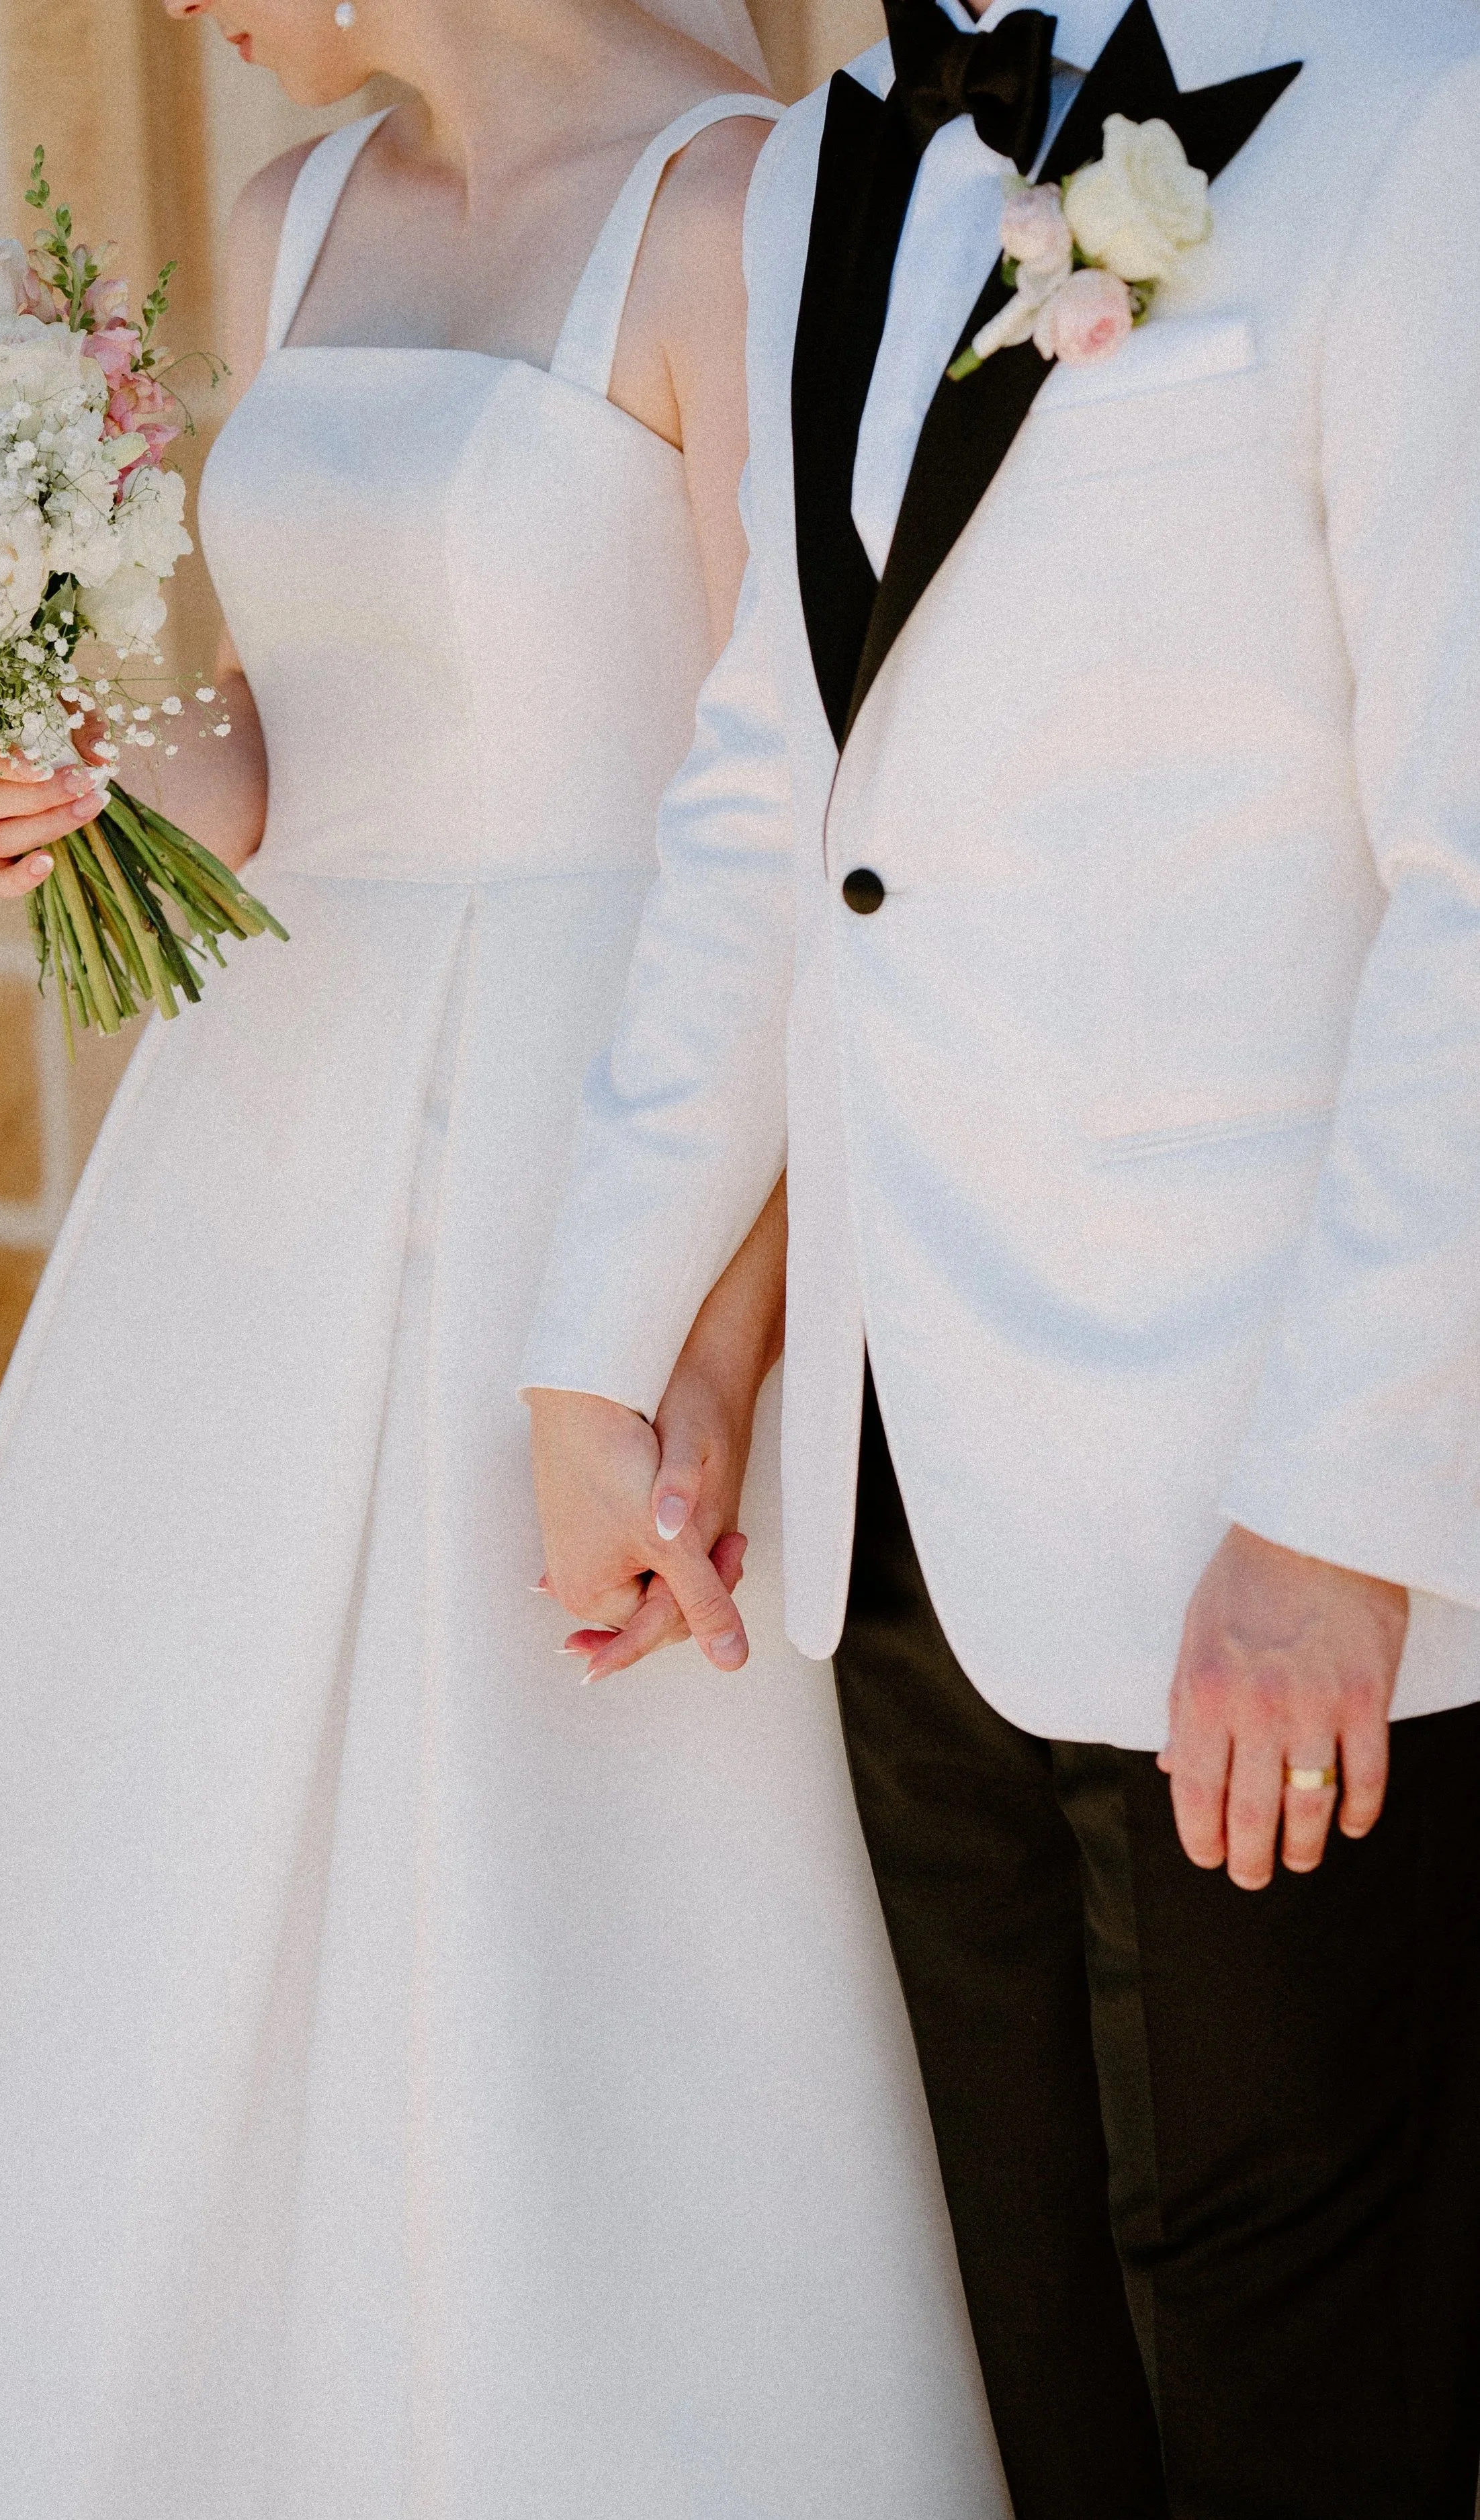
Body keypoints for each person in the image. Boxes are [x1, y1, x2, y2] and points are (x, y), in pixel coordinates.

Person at [0, 3, 1012, 2514]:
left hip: (597, 1133)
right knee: (184, 1808)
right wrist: (101, 763)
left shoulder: (734, 200)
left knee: (566, 1830)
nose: (187, 16)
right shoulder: (292, 216)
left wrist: (709, 1295)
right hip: (274, 1122)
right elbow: (297, 742)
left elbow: (787, 793)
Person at [525, 1, 1480, 2514]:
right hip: (894, 1511)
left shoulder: (1425, 114)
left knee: (1293, 2404)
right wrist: (616, 1353)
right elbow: (775, 788)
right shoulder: (856, 154)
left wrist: (1338, 1515)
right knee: (1039, 2379)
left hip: (1251, 1549)